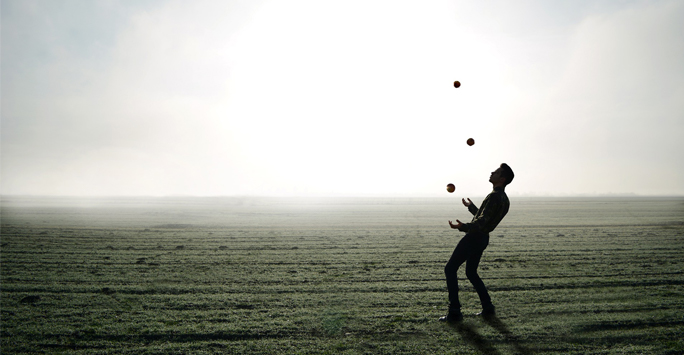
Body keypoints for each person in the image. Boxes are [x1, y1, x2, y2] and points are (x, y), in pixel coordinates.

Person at [439, 163, 514, 323]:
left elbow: (482, 221)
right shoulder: (504, 199)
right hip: (483, 238)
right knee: (471, 273)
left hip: (474, 237)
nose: (492, 172)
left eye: (496, 172)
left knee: (450, 268)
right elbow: (486, 217)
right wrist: (471, 207)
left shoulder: (494, 196)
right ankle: (488, 308)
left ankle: (454, 312)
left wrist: (463, 227)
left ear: (502, 178)